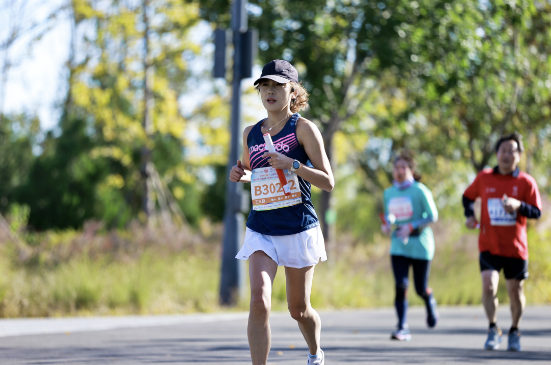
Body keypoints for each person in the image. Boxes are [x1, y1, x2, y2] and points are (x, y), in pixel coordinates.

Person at [229, 59, 333, 365]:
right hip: (262, 226)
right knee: (259, 300)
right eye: (265, 86)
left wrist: (294, 165)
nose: (270, 92)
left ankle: (315, 353)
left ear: (293, 91)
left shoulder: (303, 128)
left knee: (298, 309)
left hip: (298, 227)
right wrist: (240, 174)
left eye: (278, 86)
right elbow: (253, 171)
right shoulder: (251, 133)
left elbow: (328, 182)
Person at [463, 133, 541, 352]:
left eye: (512, 151)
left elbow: (537, 212)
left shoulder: (526, 182)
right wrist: (470, 215)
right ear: (497, 154)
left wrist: (519, 206)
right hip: (489, 245)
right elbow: (467, 197)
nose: (507, 155)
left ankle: (514, 330)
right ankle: (492, 328)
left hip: (516, 248)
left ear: (519, 155)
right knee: (488, 286)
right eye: (503, 150)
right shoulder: (484, 177)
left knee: (515, 292)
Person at [380, 152, 439, 341]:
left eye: (403, 168)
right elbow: (390, 216)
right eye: (396, 168)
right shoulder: (388, 193)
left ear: (411, 170)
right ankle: (402, 327)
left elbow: (432, 215)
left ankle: (429, 299)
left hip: (420, 244)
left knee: (420, 288)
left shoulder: (420, 190)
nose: (399, 171)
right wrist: (387, 226)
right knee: (401, 285)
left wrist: (412, 225)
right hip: (399, 245)